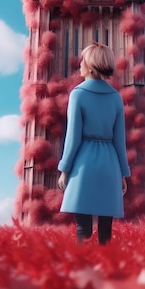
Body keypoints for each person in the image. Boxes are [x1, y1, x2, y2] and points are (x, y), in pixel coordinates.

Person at [57, 42, 130, 244]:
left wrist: (65, 169)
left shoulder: (78, 94)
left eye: (82, 60)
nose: (79, 64)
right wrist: (123, 173)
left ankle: (85, 267)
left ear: (90, 65)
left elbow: (73, 136)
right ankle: (107, 269)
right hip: (110, 164)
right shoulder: (115, 97)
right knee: (106, 230)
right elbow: (119, 139)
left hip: (84, 164)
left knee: (83, 227)